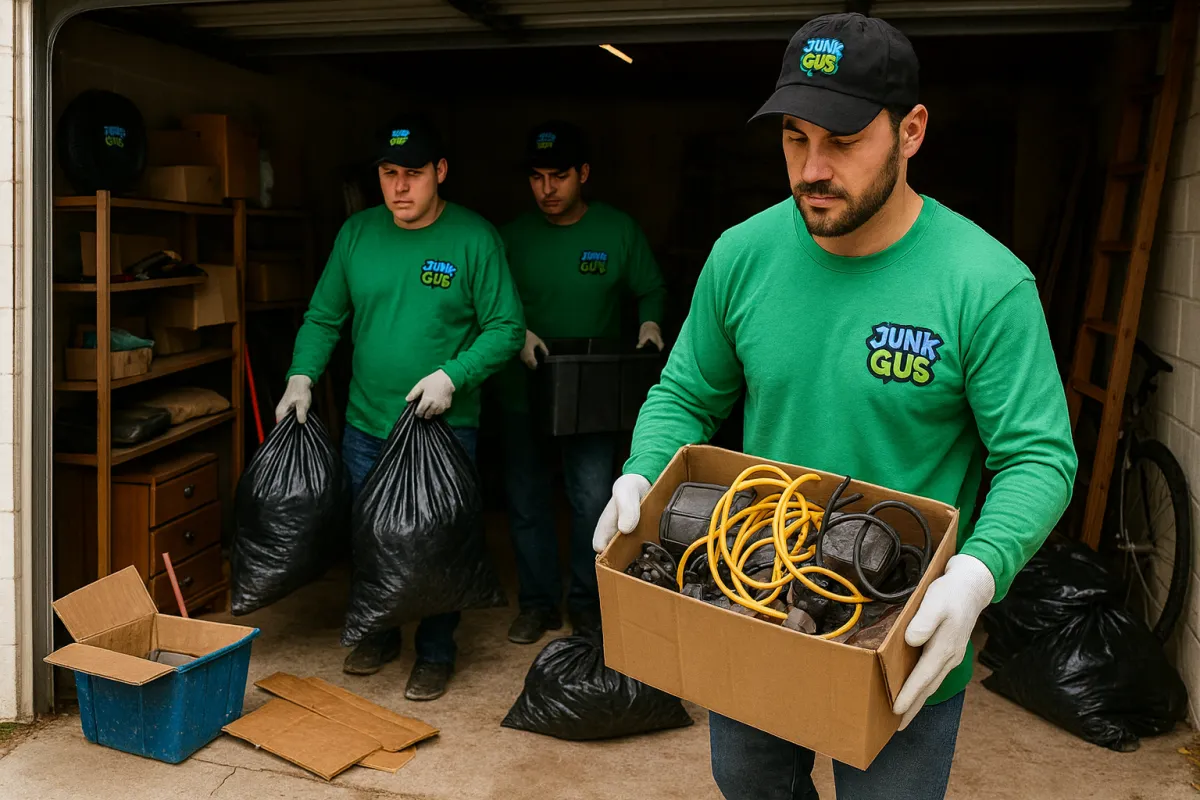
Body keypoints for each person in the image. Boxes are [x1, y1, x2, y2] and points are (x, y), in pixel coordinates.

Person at [592, 13, 1076, 800]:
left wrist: (979, 574)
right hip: (756, 601)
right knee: (746, 779)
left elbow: (1038, 456)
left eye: (843, 140)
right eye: (794, 137)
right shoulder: (742, 257)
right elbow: (685, 393)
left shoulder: (984, 284)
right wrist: (643, 471)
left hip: (900, 623)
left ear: (911, 130)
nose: (812, 168)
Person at [276, 116, 524, 701]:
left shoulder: (474, 238)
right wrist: (302, 374)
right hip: (367, 424)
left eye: (413, 174)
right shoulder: (357, 235)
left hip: (442, 428)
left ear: (440, 172)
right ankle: (379, 633)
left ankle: (436, 651)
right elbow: (323, 316)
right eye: (389, 174)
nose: (400, 188)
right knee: (370, 537)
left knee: (435, 543)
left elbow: (506, 328)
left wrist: (452, 375)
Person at [496, 120, 668, 644]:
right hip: (521, 387)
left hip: (590, 396)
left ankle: (588, 603)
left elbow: (650, 287)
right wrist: (514, 328)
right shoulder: (510, 238)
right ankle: (537, 603)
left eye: (560, 176)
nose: (548, 189)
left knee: (593, 498)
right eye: (538, 177)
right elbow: (484, 297)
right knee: (526, 500)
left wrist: (650, 321)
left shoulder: (616, 231)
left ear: (584, 174)